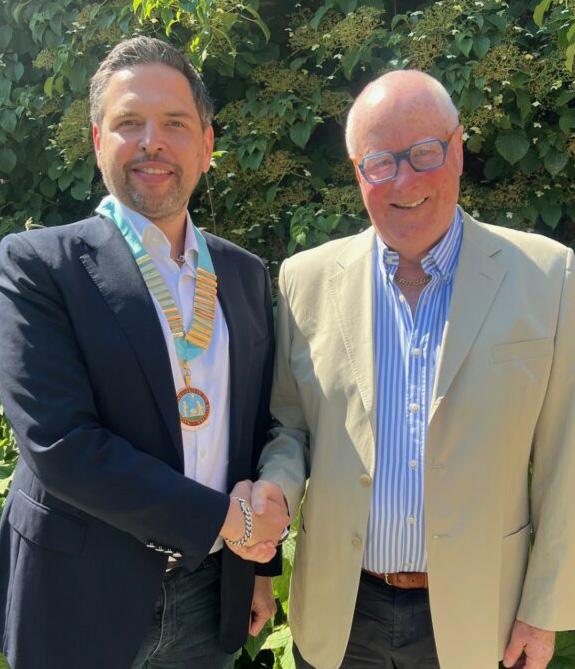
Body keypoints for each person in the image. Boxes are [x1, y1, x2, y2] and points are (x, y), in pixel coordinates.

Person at [257, 70, 575, 669]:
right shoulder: (305, 280)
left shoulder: (548, 277)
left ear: (458, 150)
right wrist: (273, 497)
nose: (404, 180)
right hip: (340, 612)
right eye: (380, 162)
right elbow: (289, 427)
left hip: (481, 613)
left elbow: (567, 457)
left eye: (425, 152)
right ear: (358, 172)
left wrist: (544, 609)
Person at [0, 36, 289, 669]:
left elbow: (257, 429)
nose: (152, 141)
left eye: (175, 123)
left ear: (206, 146)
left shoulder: (243, 274)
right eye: (129, 122)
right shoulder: (37, 266)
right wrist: (229, 523)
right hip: (79, 596)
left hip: (211, 596)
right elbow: (61, 446)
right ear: (98, 140)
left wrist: (257, 565)